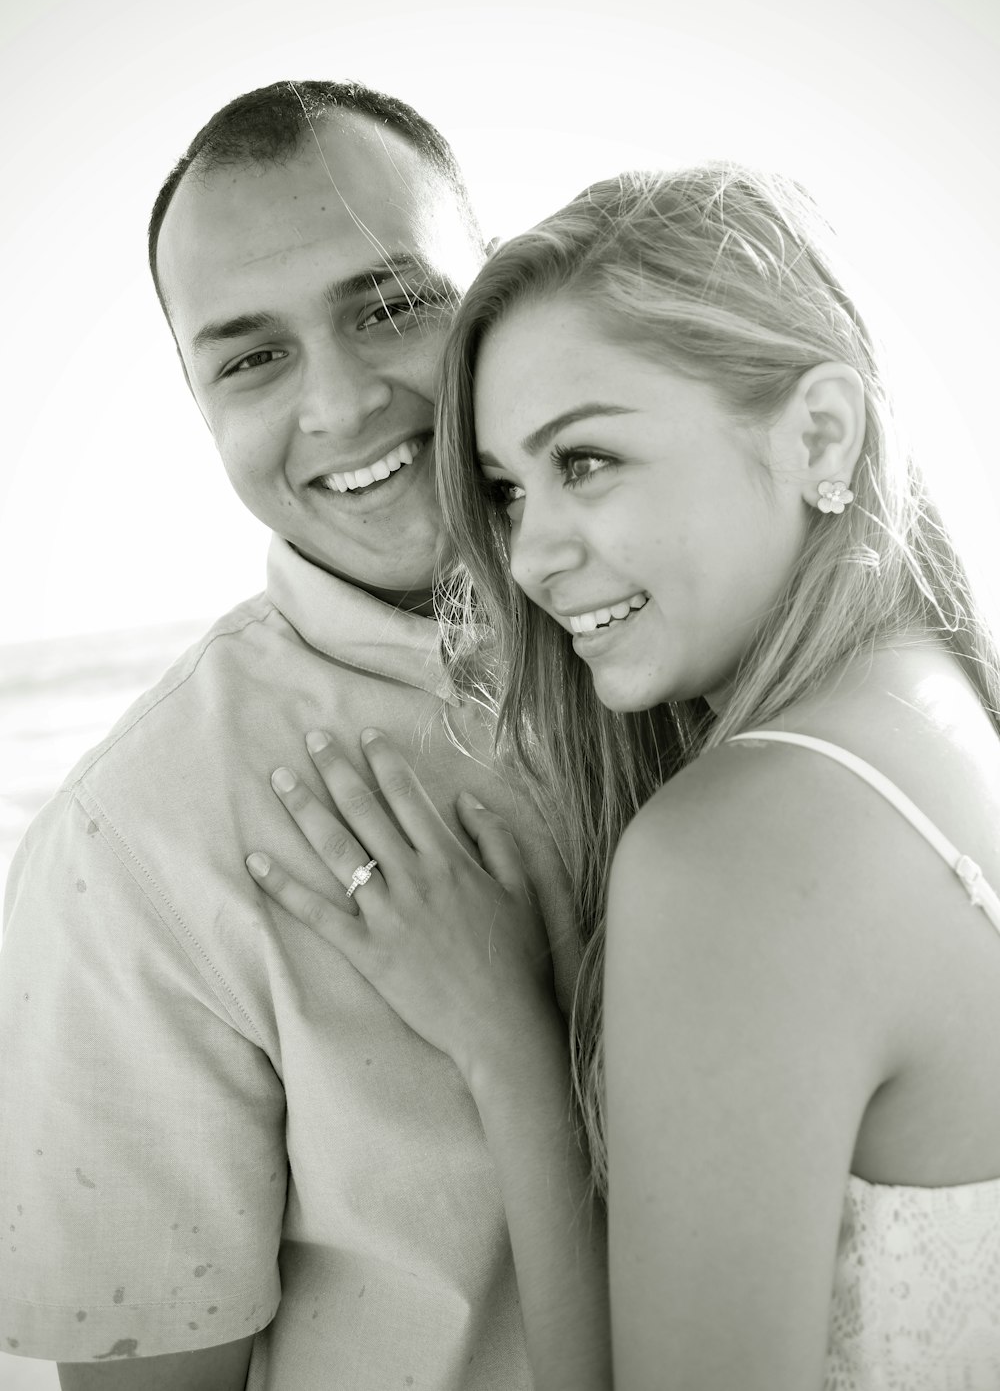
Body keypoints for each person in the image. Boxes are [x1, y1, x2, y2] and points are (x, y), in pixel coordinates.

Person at [248, 164, 1000, 1389]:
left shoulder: (743, 847)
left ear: (819, 433)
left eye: (586, 461)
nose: (531, 555)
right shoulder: (945, 714)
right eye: (503, 490)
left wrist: (507, 1048)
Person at [0, 80, 591, 1390]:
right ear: (195, 397)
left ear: (494, 291)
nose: (338, 403)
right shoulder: (134, 854)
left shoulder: (705, 650)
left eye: (390, 307)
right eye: (251, 356)